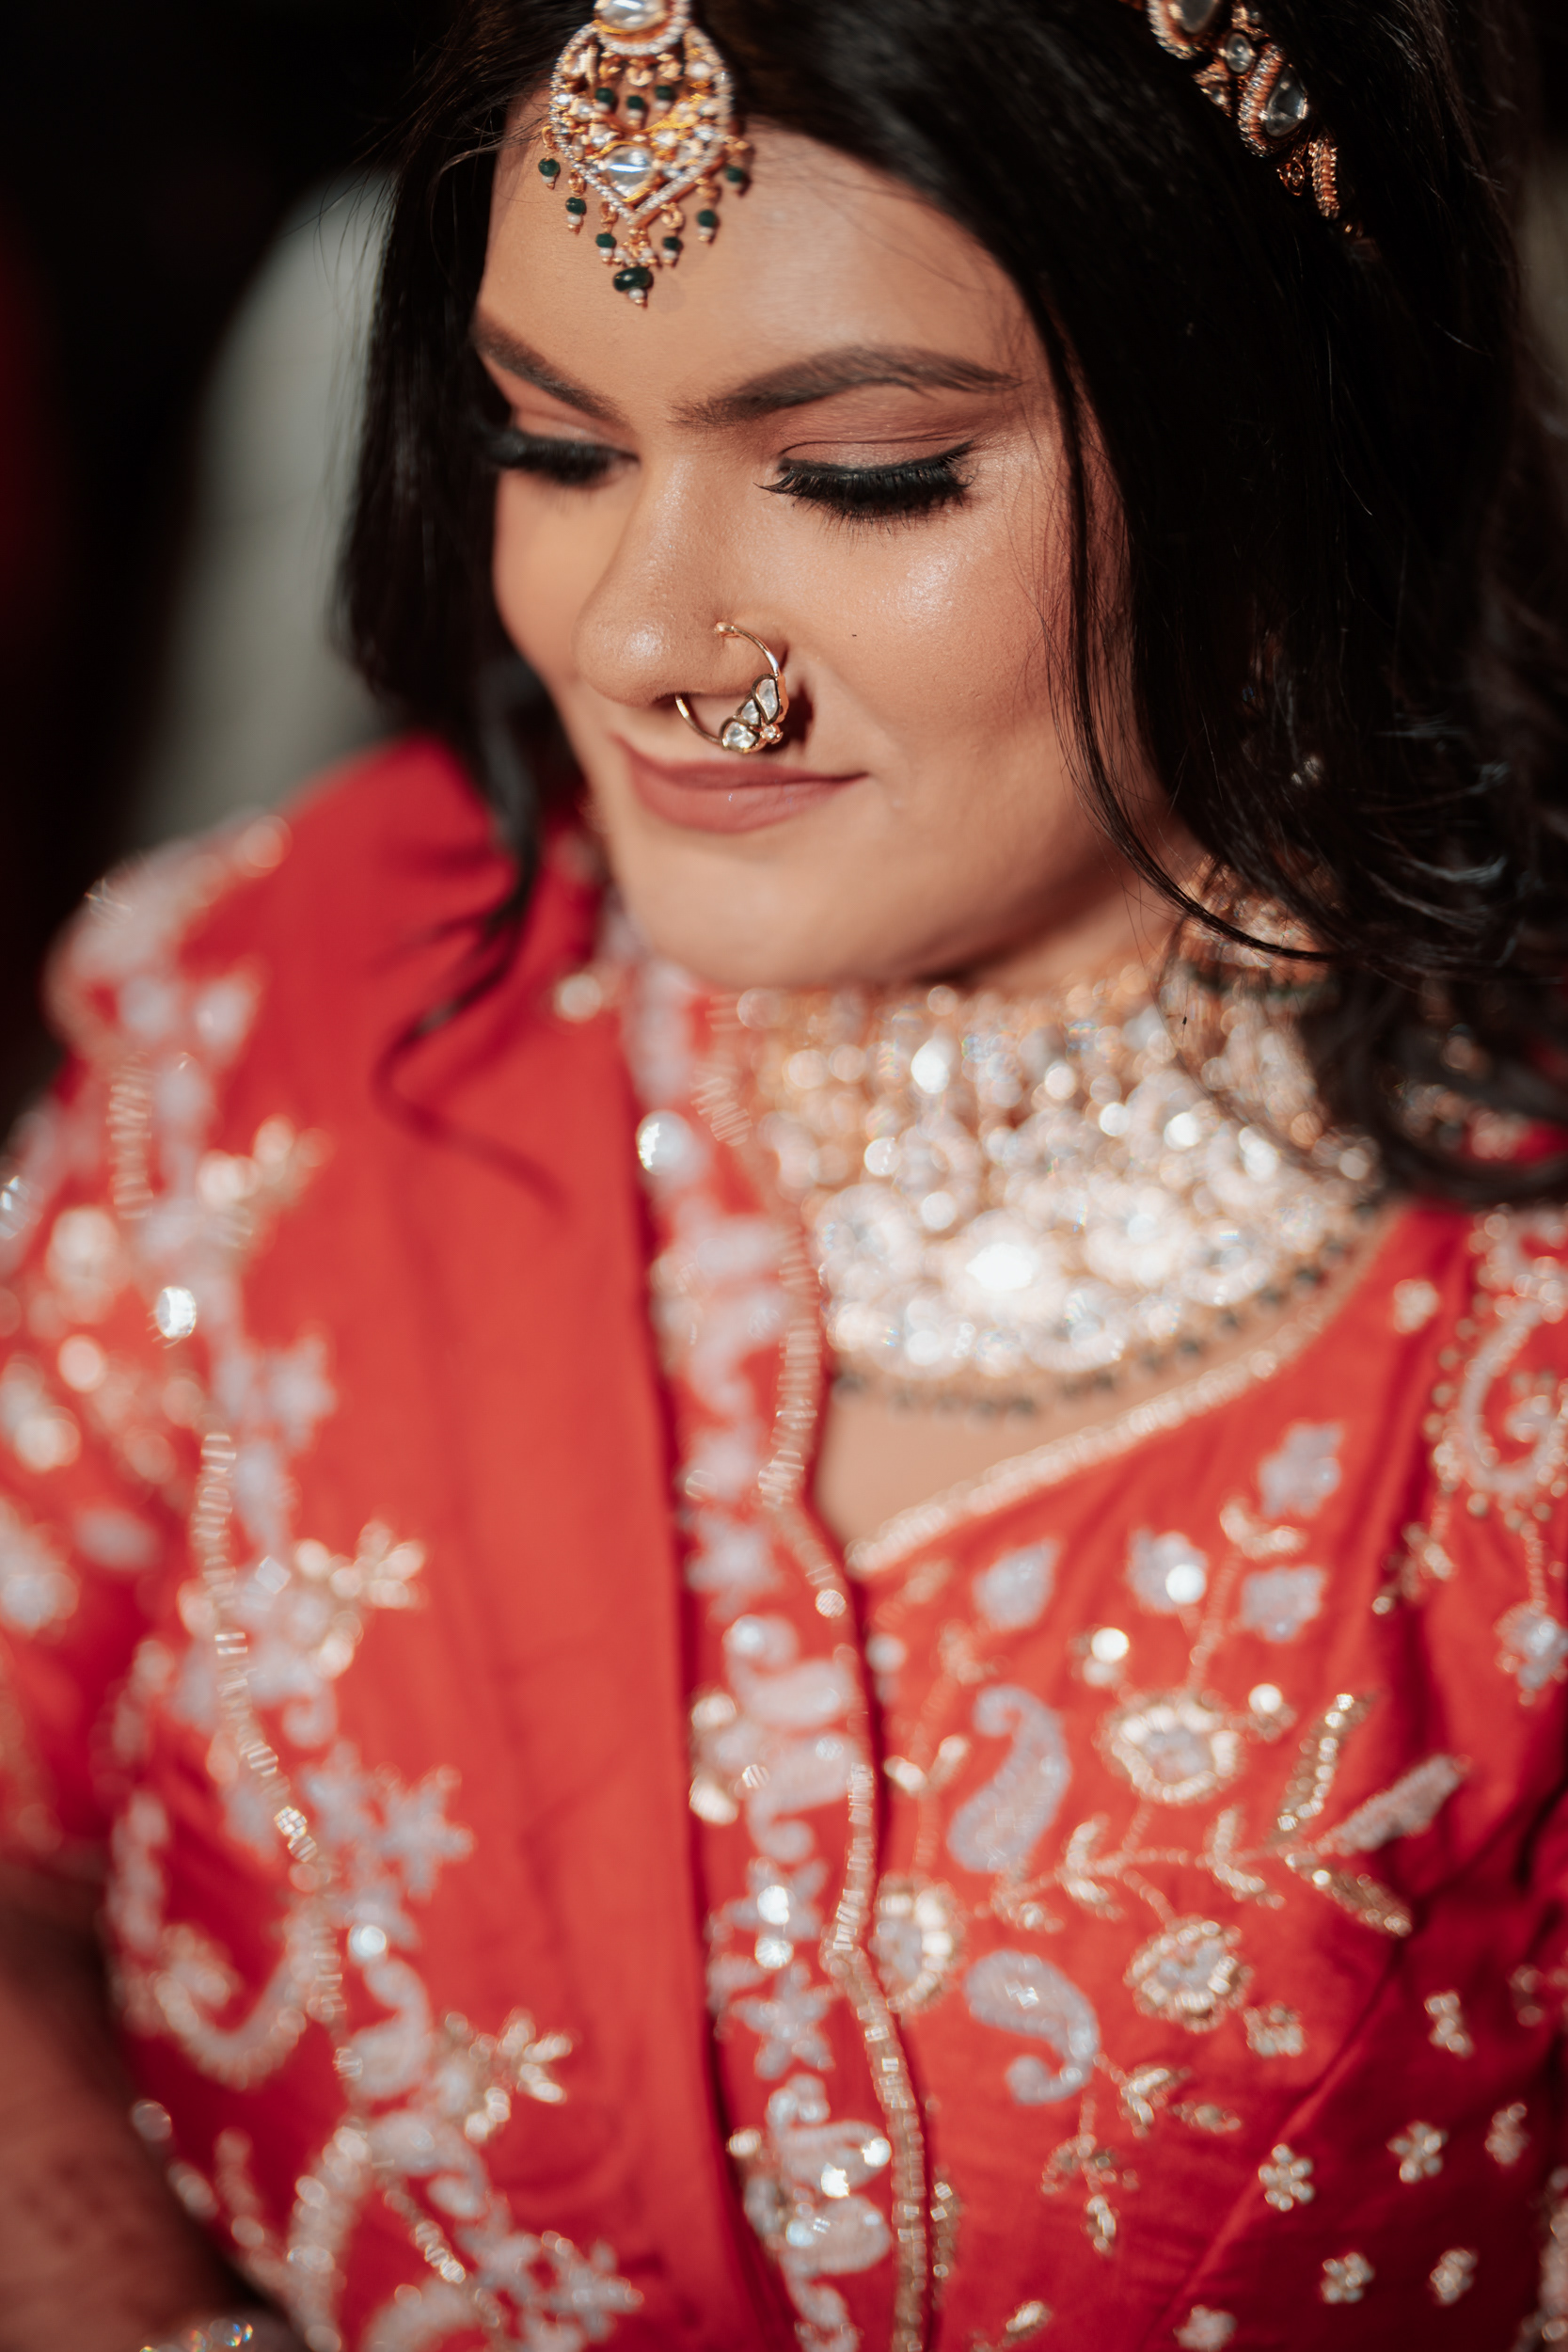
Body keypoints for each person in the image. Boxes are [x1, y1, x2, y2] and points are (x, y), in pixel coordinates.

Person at [2, 0, 1567, 2345]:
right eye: (551, 443)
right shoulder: (283, 1021)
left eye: (859, 475)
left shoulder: (1517, 1366)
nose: (641, 643)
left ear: (1293, 436)